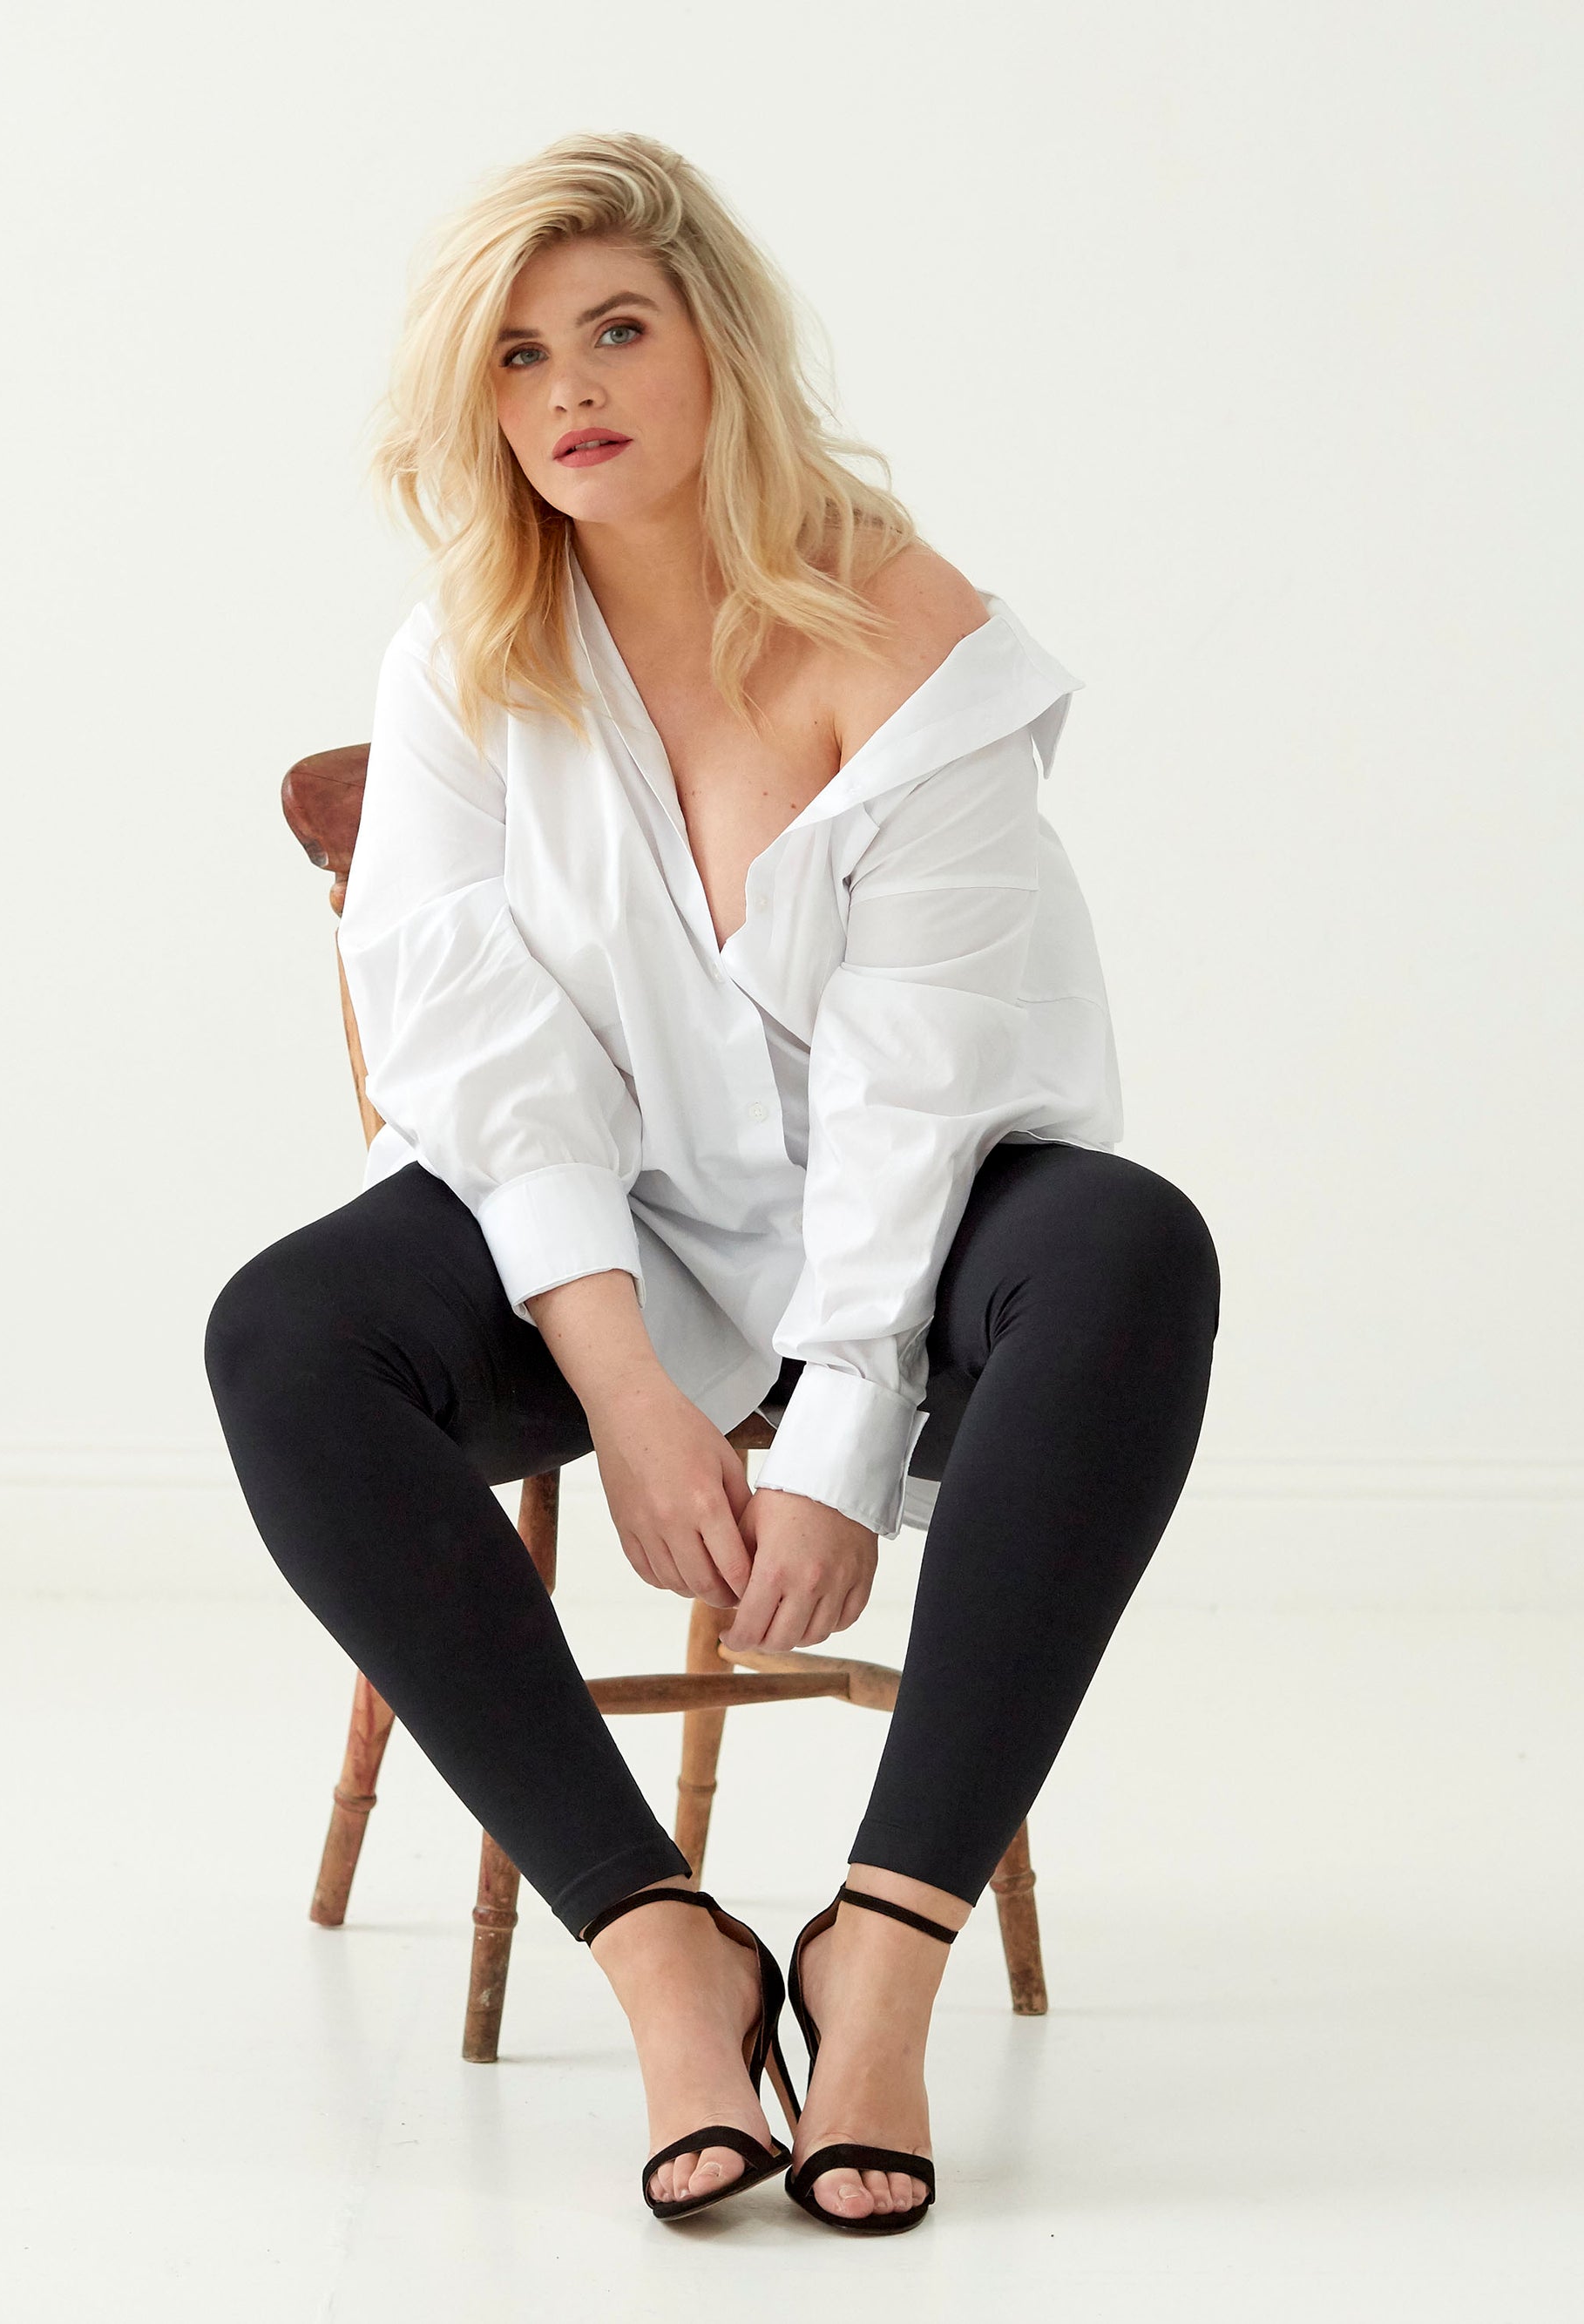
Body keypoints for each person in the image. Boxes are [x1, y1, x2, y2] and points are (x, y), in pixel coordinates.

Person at [204, 129, 1221, 2236]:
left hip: (901, 1234)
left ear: (712, 347)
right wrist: (635, 1388)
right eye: (513, 356)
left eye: (614, 330)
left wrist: (838, 1439)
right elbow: (480, 1067)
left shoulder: (909, 642)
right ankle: (661, 1938)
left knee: (1129, 1244)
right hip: (592, 1245)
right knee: (282, 1331)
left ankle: (883, 1943)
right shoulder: (464, 656)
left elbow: (923, 1089)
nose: (566, 388)